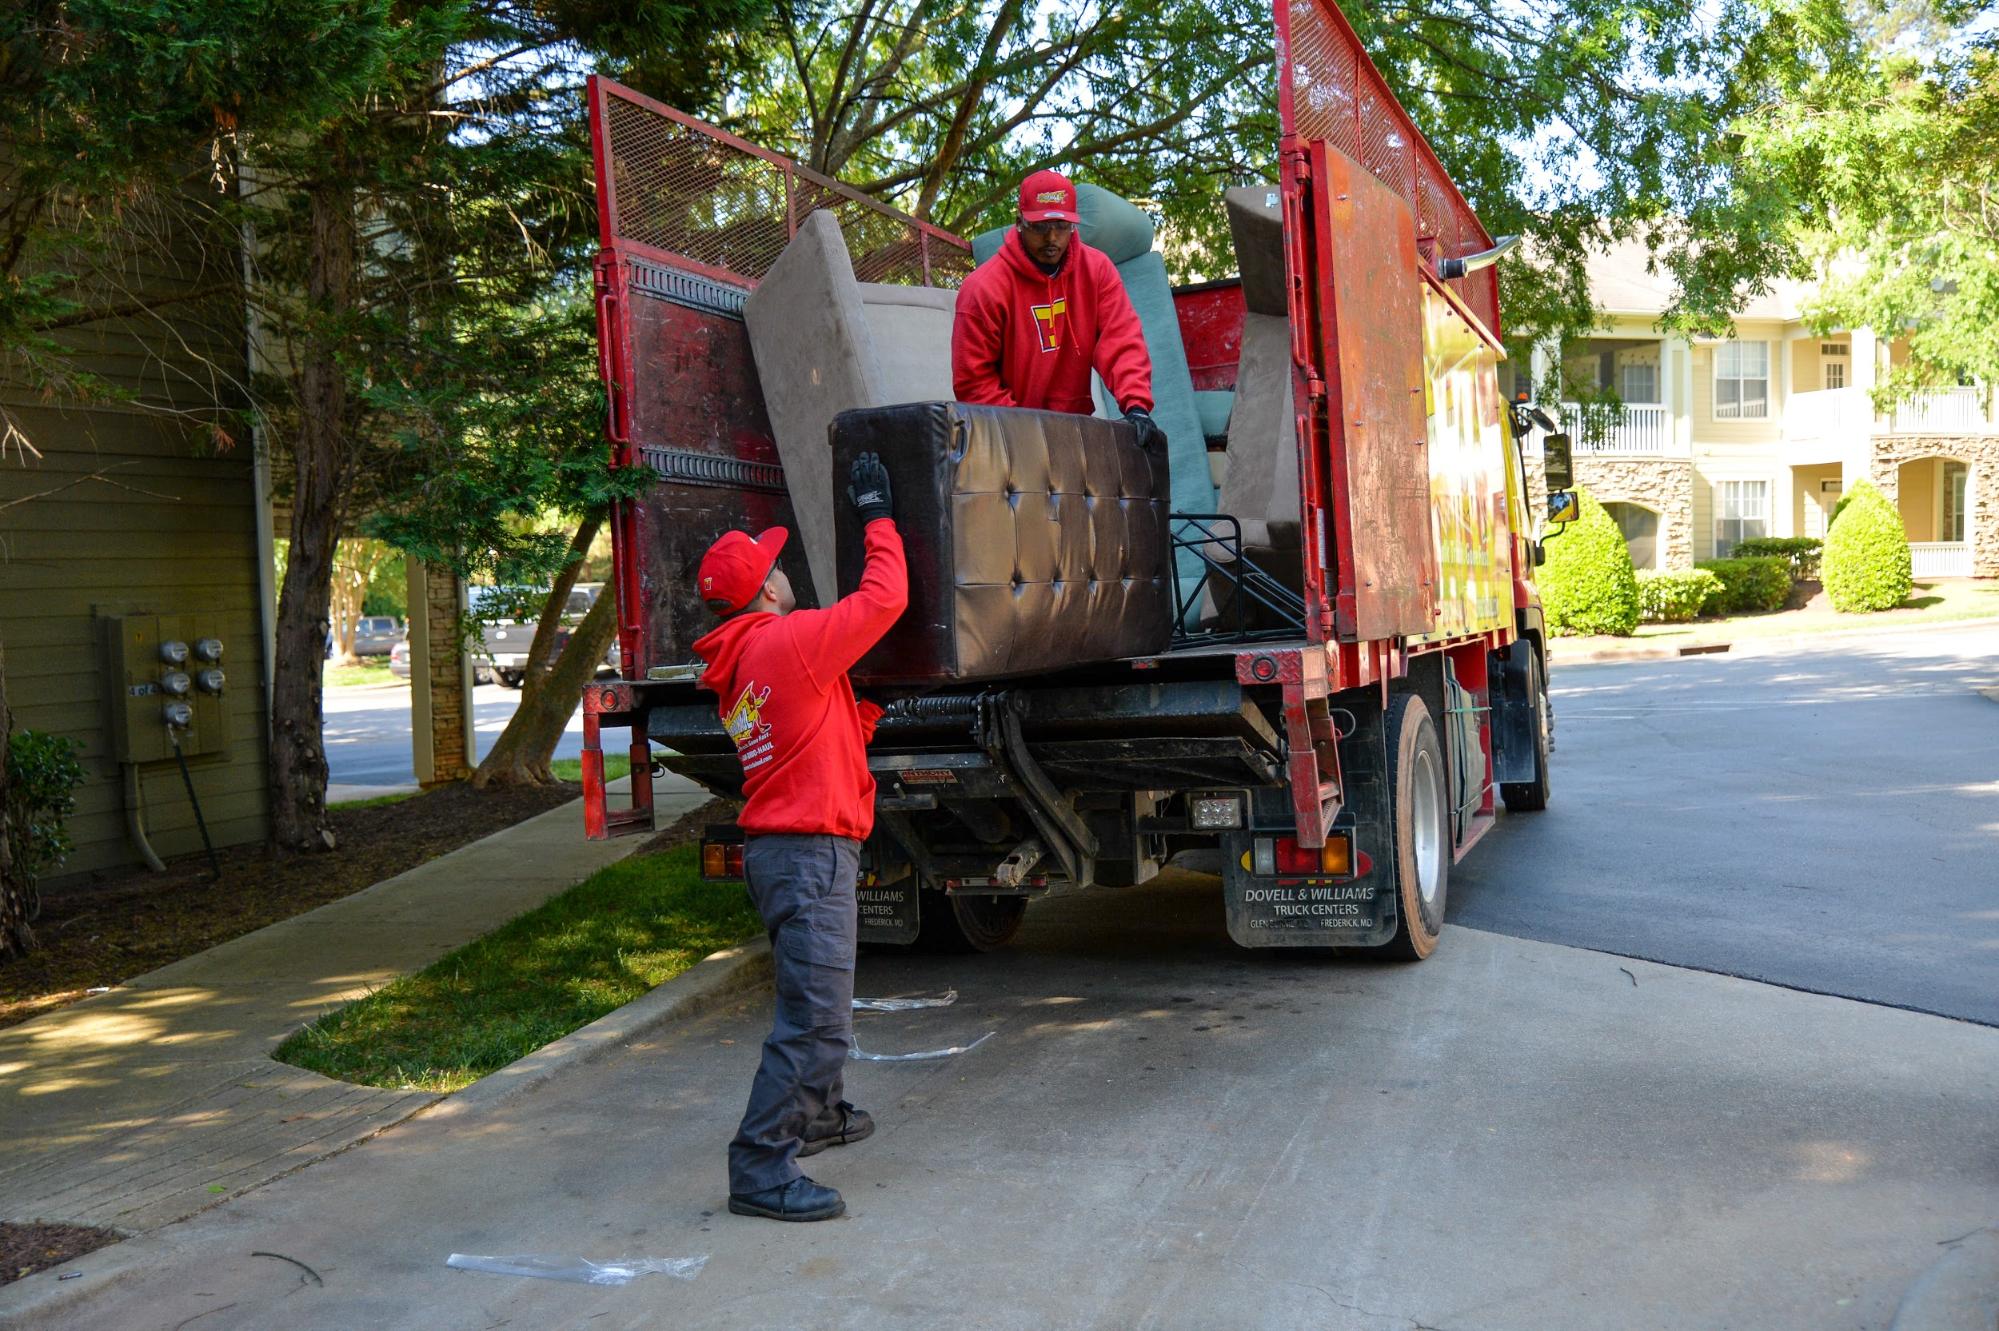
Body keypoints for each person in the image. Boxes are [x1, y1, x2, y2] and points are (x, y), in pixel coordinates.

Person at [691, 453, 907, 1222]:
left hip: (788, 851)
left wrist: (868, 709)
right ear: (766, 591)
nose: (786, 573)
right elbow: (886, 596)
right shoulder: (787, 641)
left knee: (815, 1004)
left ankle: (815, 1117)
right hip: (809, 853)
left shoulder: (745, 657)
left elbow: (809, 732)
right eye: (777, 566)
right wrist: (878, 512)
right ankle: (760, 1168)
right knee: (815, 1018)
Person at [951, 169, 1167, 453]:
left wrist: (1136, 404)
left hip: (1073, 428)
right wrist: (1026, 432)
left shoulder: (1098, 271)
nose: (1052, 238)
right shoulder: (983, 288)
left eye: (1061, 226)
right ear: (1020, 223)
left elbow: (1121, 340)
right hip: (1008, 436)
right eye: (1040, 227)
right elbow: (973, 380)